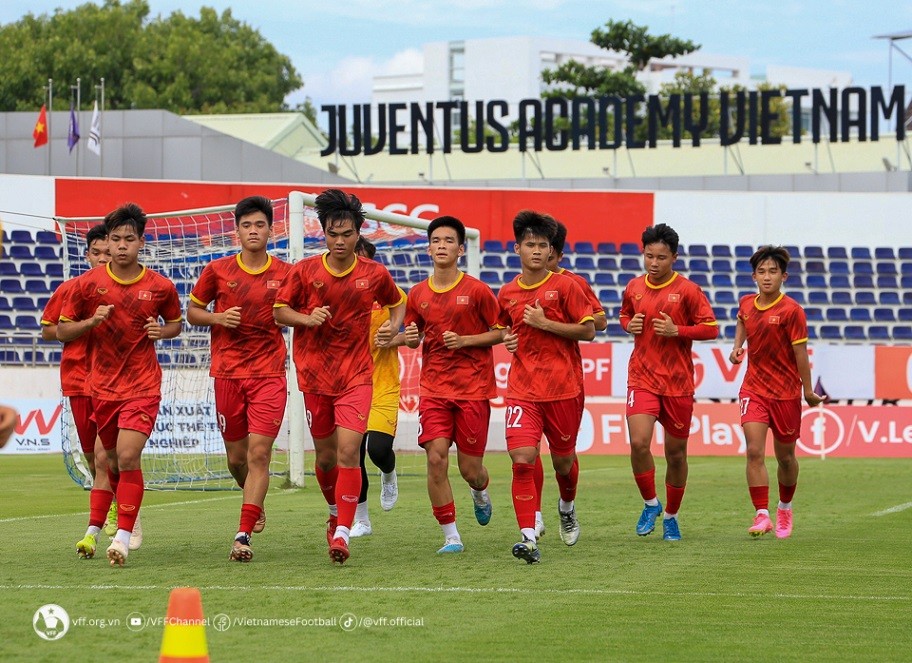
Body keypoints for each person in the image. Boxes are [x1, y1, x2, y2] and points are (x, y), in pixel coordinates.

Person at [274, 189, 405, 565]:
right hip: (315, 376)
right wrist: (306, 318)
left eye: (347, 234)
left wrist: (392, 327)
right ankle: (335, 512)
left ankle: (344, 532)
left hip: (357, 376)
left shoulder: (374, 274)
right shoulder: (305, 271)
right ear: (324, 233)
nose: (340, 241)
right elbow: (279, 310)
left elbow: (397, 303)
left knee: (350, 452)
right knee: (327, 458)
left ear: (358, 233)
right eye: (333, 234)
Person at [58, 203, 182, 567]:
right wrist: (90, 323)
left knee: (127, 456)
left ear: (141, 242)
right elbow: (61, 330)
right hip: (102, 387)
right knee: (107, 459)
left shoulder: (160, 286)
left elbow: (176, 323)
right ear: (107, 243)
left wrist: (162, 331)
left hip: (142, 385)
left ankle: (124, 537)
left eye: (129, 238)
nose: (122, 245)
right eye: (116, 239)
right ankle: (99, 525)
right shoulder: (86, 286)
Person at [187, 196, 290, 561]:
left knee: (259, 453)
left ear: (271, 230)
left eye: (260, 225)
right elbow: (193, 311)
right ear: (237, 231)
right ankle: (254, 499)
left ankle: (242, 535)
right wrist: (217, 318)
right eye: (247, 225)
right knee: (236, 459)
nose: (253, 231)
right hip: (228, 374)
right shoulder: (217, 270)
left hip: (269, 374)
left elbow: (299, 311)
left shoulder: (286, 273)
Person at [497, 211, 595, 564]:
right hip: (522, 390)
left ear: (551, 250)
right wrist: (506, 338)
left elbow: (588, 330)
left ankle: (566, 507)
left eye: (542, 245)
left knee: (563, 462)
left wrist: (545, 323)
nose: (536, 251)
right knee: (522, 459)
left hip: (563, 389)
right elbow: (502, 327)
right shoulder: (507, 292)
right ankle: (527, 536)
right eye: (530, 245)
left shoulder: (567, 287)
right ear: (517, 249)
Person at [404, 216, 501, 554]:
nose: (441, 246)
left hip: (473, 389)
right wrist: (409, 336)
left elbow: (501, 331)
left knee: (470, 470)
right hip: (433, 389)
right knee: (436, 458)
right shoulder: (417, 294)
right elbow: (413, 337)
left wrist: (465, 341)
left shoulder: (477, 291)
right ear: (429, 249)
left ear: (460, 249)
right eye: (436, 240)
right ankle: (451, 536)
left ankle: (480, 490)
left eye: (448, 241)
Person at [619, 223, 718, 542]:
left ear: (674, 257)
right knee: (639, 443)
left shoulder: (688, 290)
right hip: (642, 378)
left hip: (677, 384)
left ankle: (672, 517)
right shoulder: (634, 286)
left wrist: (679, 331)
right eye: (649, 256)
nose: (654, 263)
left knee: (676, 455)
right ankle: (651, 504)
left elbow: (711, 328)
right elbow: (624, 315)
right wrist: (628, 324)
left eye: (661, 257)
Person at [40, 224, 135, 554]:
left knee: (108, 454)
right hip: (79, 380)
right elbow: (49, 331)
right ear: (87, 255)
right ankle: (118, 502)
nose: (102, 258)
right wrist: (86, 324)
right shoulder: (72, 289)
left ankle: (122, 513)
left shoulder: (128, 290)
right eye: (96, 253)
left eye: (107, 252)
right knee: (95, 460)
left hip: (115, 383)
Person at [730, 245, 825, 539]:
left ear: (783, 276)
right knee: (754, 450)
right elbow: (741, 320)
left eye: (773, 271)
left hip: (785, 394)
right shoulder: (746, 303)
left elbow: (800, 354)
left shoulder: (792, 311)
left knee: (785, 458)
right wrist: (737, 347)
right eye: (761, 272)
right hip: (754, 389)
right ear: (754, 276)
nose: (767, 277)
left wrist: (807, 390)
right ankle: (762, 514)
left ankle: (785, 507)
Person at [531, 219, 607, 539]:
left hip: (565, 381)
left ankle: (567, 506)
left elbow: (599, 322)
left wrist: (556, 320)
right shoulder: (521, 284)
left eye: (546, 253)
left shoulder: (573, 284)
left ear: (557, 254)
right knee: (526, 451)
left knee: (563, 460)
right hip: (527, 381)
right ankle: (533, 516)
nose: (538, 258)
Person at [349, 237, 405, 538]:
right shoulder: (336, 295)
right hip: (348, 385)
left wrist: (394, 337)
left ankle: (388, 472)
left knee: (378, 449)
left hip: (382, 384)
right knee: (352, 455)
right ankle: (362, 520)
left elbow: (417, 333)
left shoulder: (392, 296)